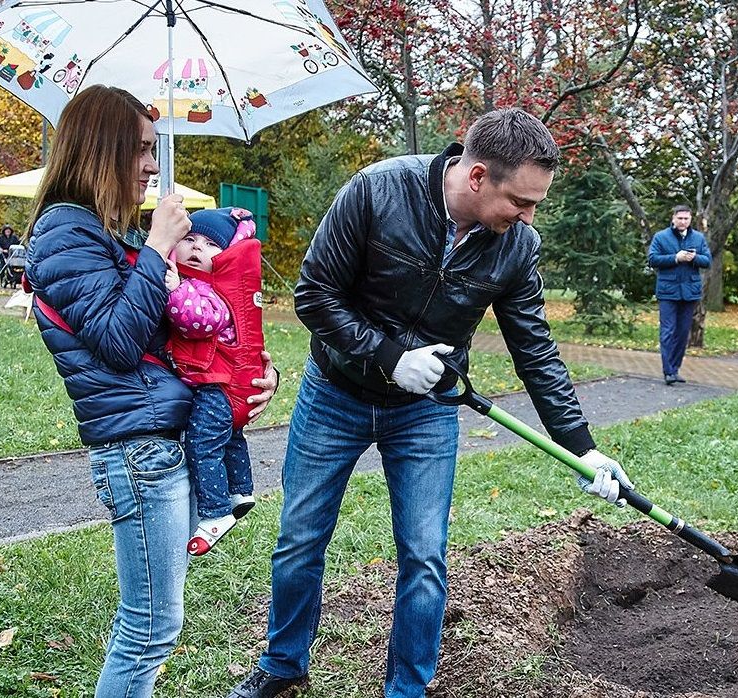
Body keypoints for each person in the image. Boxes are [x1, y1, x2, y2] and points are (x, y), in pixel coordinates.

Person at [228, 108, 634, 698]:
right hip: (336, 393)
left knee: (423, 557)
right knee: (300, 538)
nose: (528, 217)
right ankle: (283, 666)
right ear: (476, 178)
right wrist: (389, 355)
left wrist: (584, 449)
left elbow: (536, 353)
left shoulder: (515, 246)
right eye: (520, 201)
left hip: (427, 409)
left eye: (535, 204)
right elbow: (314, 295)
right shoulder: (378, 190)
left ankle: (406, 690)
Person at [23, 85, 278, 698]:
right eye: (139, 149)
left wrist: (240, 380)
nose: (149, 165)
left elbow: (163, 339)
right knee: (148, 631)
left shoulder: (106, 237)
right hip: (138, 454)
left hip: (164, 442)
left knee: (155, 626)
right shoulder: (64, 233)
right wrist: (159, 245)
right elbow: (116, 340)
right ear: (101, 150)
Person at [164, 207, 265, 556]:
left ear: (226, 255)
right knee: (230, 439)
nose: (196, 248)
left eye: (209, 244)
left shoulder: (210, 290)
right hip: (228, 386)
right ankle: (240, 489)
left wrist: (175, 290)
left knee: (202, 444)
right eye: (189, 239)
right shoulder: (207, 284)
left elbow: (198, 320)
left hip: (217, 387)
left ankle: (215, 512)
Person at [647, 205, 711, 385]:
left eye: (686, 218)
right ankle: (668, 371)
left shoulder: (698, 238)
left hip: (689, 293)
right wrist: (676, 258)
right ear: (673, 218)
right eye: (680, 218)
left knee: (683, 333)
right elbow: (652, 260)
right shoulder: (661, 237)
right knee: (668, 331)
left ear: (690, 220)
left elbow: (707, 261)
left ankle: (675, 369)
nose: (683, 221)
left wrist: (694, 258)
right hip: (668, 292)